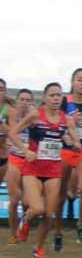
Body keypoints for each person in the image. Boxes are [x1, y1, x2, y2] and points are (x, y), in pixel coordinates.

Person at [11, 82, 81, 258]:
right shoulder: (35, 115)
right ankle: (26, 220)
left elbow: (78, 146)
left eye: (59, 95)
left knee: (49, 214)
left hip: (53, 170)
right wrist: (26, 150)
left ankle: (38, 248)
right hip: (32, 169)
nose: (56, 98)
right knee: (36, 208)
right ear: (44, 98)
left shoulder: (67, 120)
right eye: (52, 95)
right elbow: (13, 133)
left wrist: (72, 144)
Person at [53, 68, 82, 249]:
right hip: (65, 150)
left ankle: (81, 224)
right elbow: (55, 123)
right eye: (79, 80)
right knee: (61, 194)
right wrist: (69, 125)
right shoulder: (64, 102)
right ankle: (58, 231)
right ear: (72, 82)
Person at [4, 89, 33, 244]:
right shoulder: (11, 115)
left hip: (30, 161)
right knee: (14, 199)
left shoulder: (34, 117)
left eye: (28, 100)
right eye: (22, 99)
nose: (25, 102)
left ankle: (23, 228)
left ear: (31, 103)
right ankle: (14, 234)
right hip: (14, 158)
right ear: (17, 101)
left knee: (27, 202)